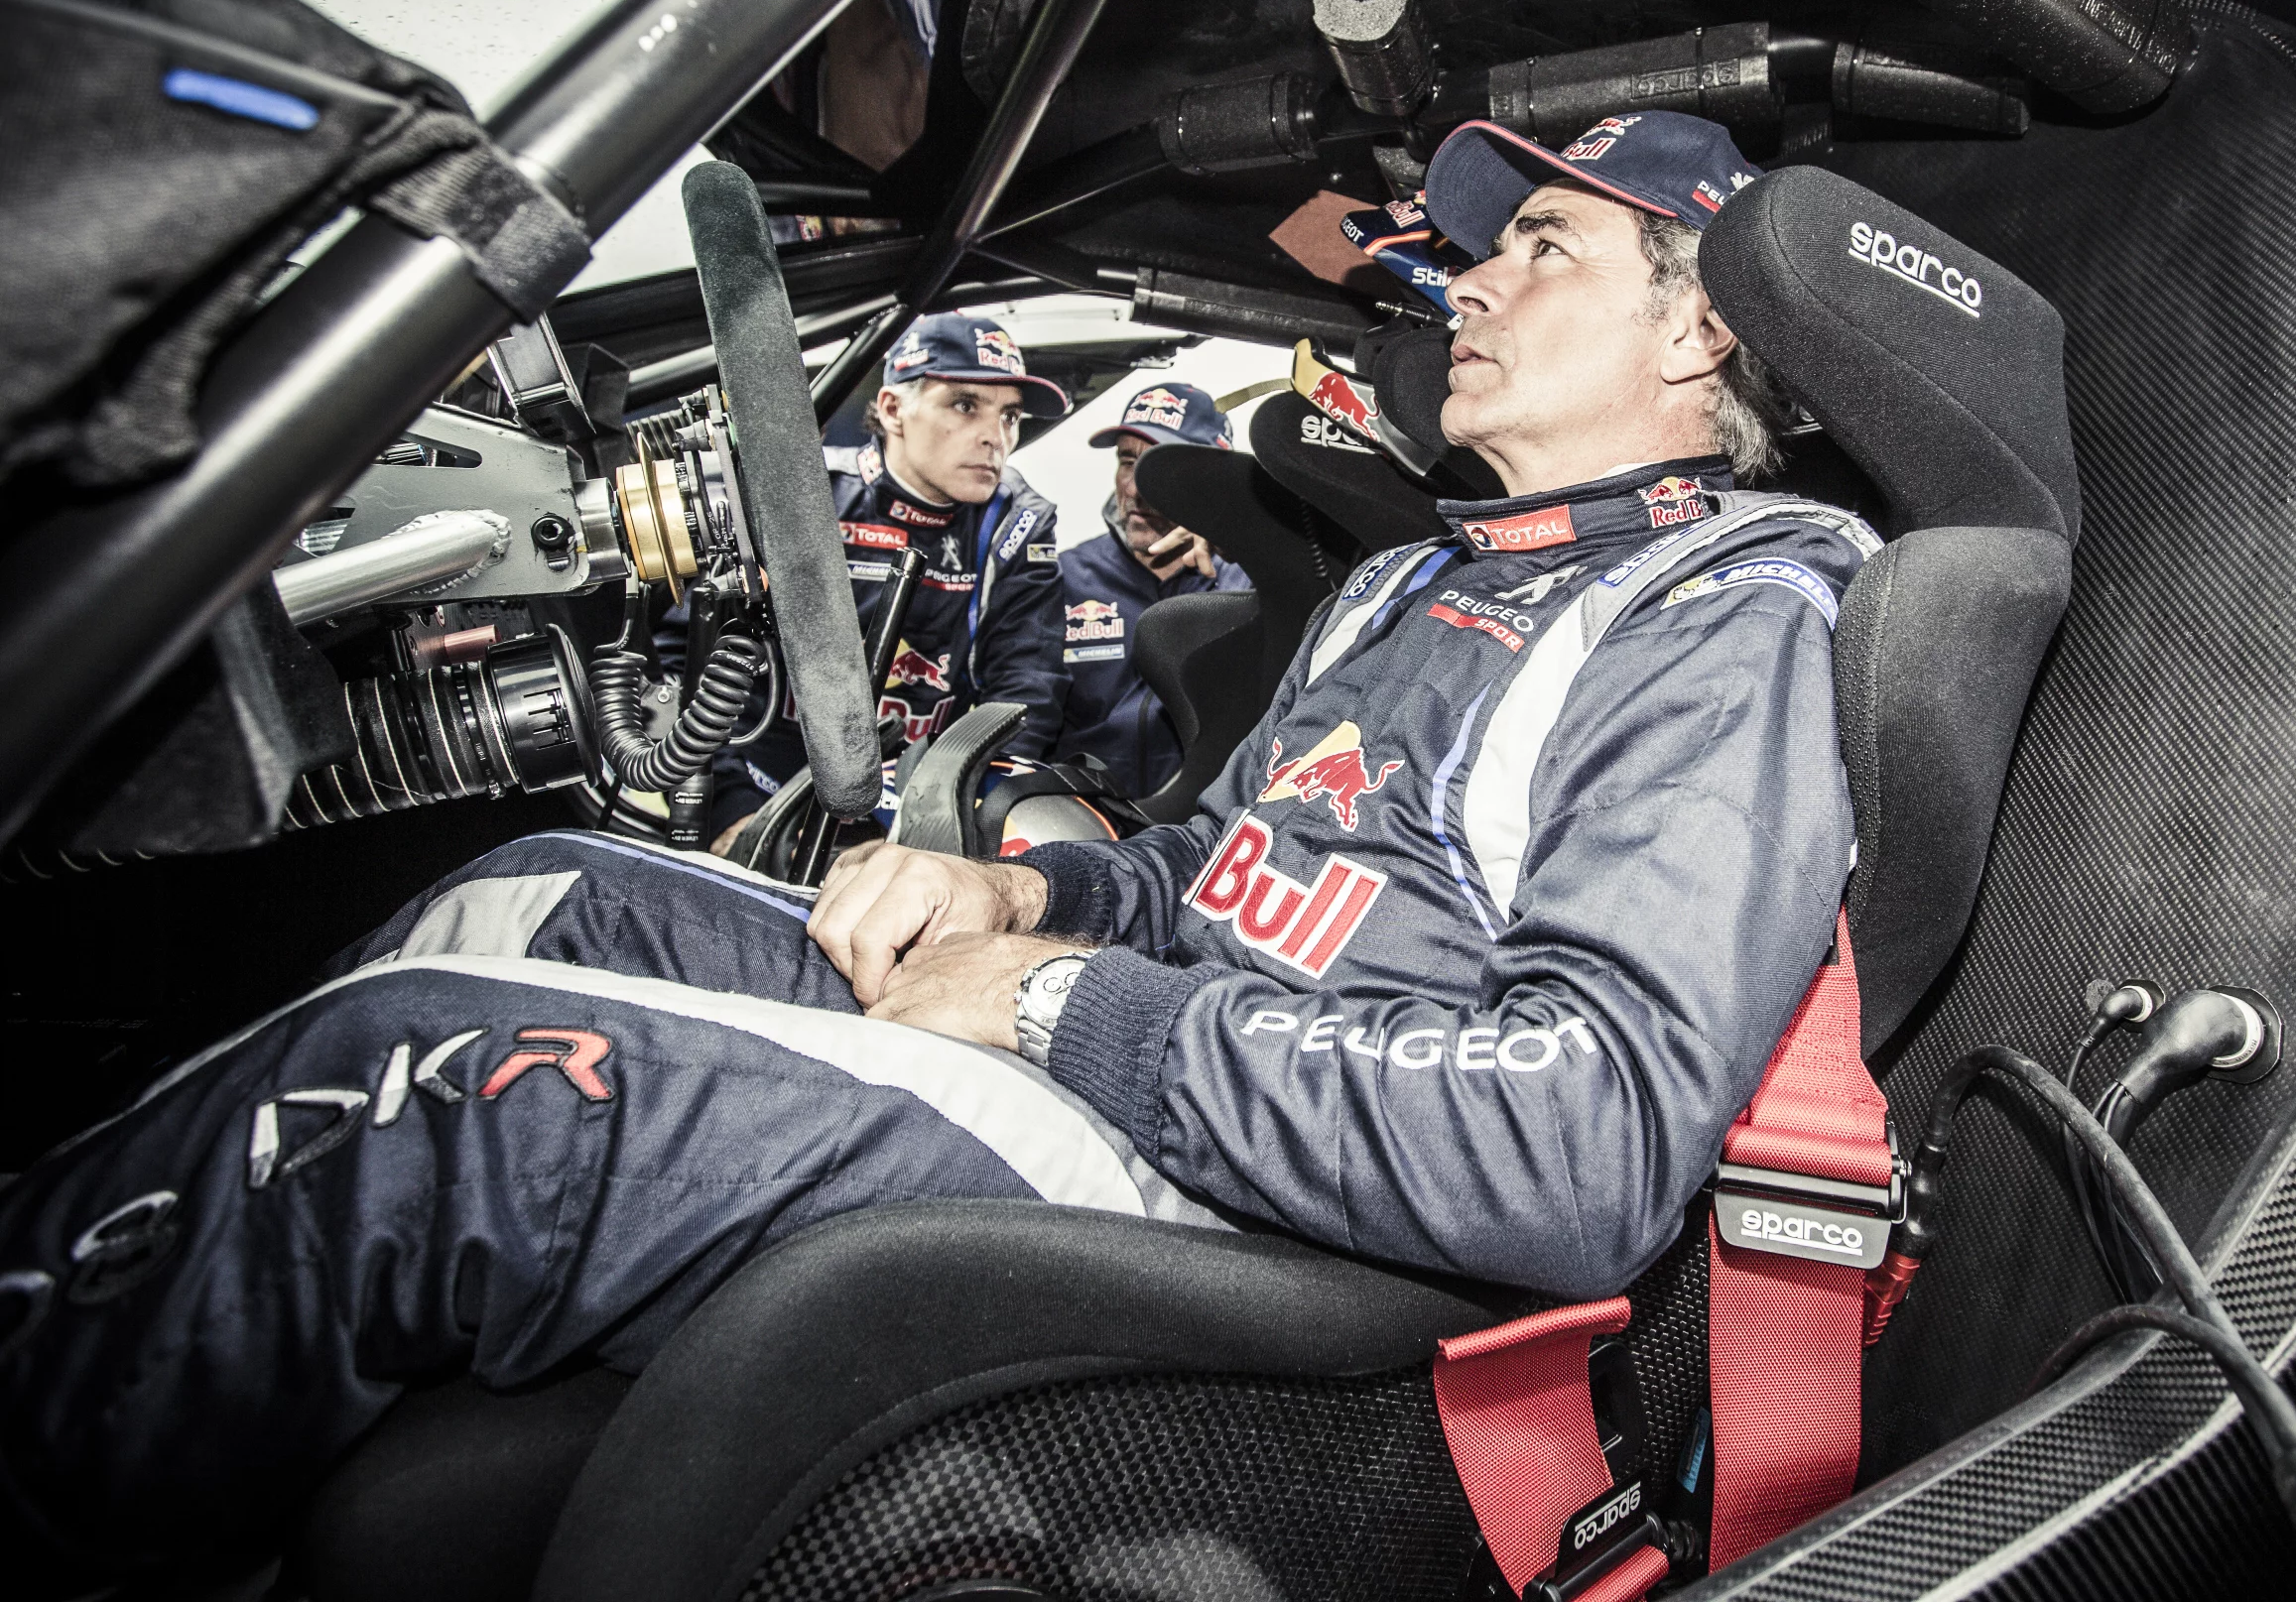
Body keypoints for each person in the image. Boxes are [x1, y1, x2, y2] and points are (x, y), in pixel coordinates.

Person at [0, 111, 1874, 1568]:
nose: (1469, 284)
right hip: (1165, 1063)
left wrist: (1053, 1000)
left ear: (1699, 325)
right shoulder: (1411, 586)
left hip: (1289, 1214)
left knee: (448, 1087)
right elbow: (1203, 876)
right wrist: (1018, 888)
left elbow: (1571, 1149)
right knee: (535, 895)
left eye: (1542, 247)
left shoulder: (1731, 620)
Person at [698, 311, 1072, 853]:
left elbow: (1028, 693)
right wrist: (730, 811)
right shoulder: (805, 495)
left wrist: (961, 823)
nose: (995, 437)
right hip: (767, 796)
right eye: (965, 405)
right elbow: (695, 660)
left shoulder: (1018, 521)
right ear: (894, 409)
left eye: (1010, 415)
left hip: (911, 812)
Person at [1052, 380, 1253, 800]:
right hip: (1080, 815)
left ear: (1211, 478)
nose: (1133, 488)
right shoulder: (1064, 577)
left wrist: (1245, 541)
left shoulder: (1251, 584)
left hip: (1204, 823)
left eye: (1159, 467)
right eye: (1128, 461)